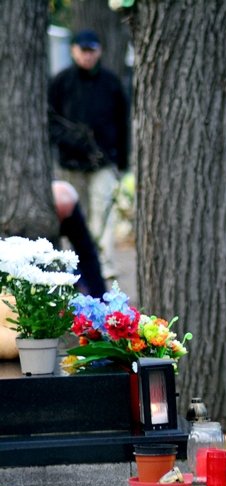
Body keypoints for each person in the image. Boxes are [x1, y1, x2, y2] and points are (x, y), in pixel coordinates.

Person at [48, 29, 129, 280]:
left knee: (103, 213)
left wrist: (122, 160)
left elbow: (122, 122)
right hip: (70, 163)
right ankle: (76, 262)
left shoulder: (111, 82)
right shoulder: (60, 82)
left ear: (99, 51)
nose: (87, 55)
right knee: (74, 215)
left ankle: (103, 262)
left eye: (92, 50)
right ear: (73, 50)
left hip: (103, 162)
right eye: (83, 50)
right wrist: (71, 142)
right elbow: (51, 121)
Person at [52, 180, 107, 299]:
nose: (64, 220)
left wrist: (100, 297)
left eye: (66, 215)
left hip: (68, 207)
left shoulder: (70, 211)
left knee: (86, 252)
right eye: (62, 216)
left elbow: (87, 253)